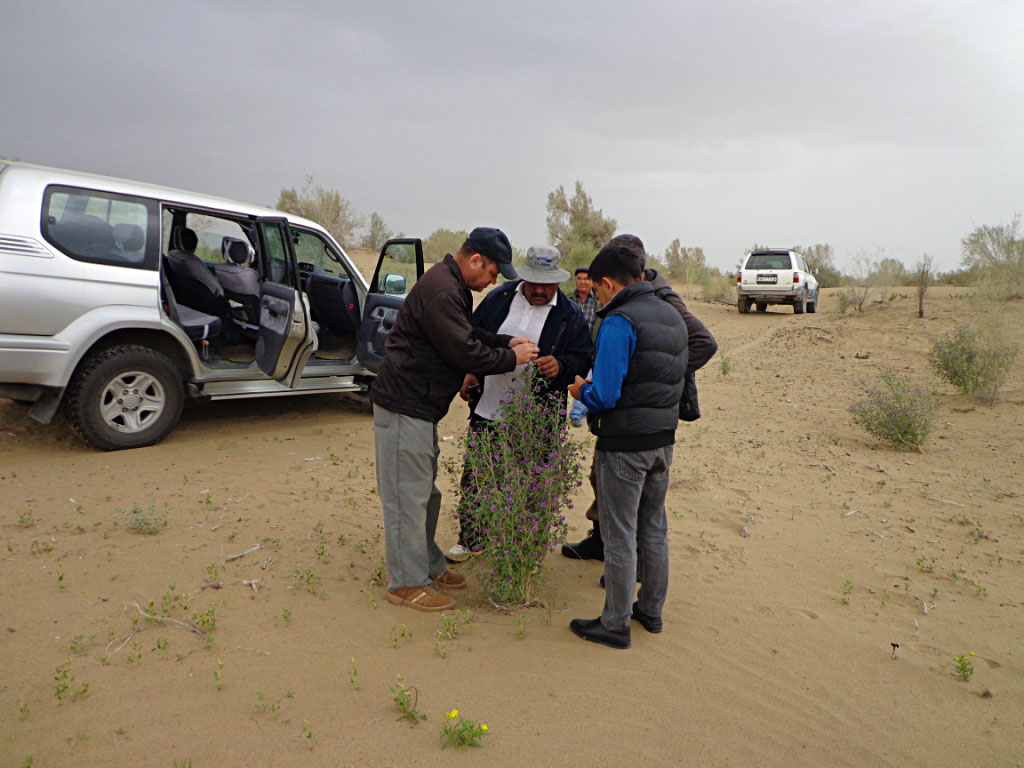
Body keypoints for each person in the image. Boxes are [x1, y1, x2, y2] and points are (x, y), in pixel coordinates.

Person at [369, 227, 540, 612]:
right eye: (494, 272)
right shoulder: (444, 289)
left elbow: (468, 333)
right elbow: (465, 352)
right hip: (404, 405)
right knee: (406, 498)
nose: (494, 281)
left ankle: (427, 566)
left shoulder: (452, 286)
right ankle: (406, 583)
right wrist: (513, 358)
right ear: (475, 259)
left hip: (419, 407)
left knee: (424, 495)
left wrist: (503, 341)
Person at [561, 234, 718, 562]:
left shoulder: (661, 299)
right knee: (622, 498)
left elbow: (703, 342)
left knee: (632, 516)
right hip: (636, 416)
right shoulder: (633, 301)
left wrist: (649, 374)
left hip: (632, 420)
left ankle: (621, 590)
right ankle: (619, 563)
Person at [567, 243, 687, 649]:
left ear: (607, 283)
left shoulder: (619, 320)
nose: (598, 297)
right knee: (654, 528)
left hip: (623, 446)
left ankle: (614, 623)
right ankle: (650, 612)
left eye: (598, 290)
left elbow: (606, 394)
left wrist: (582, 390)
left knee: (619, 534)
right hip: (663, 441)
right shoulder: (672, 314)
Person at [446, 245, 594, 562]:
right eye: (533, 281)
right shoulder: (499, 299)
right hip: (488, 407)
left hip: (537, 418)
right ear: (524, 276)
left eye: (547, 283)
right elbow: (472, 337)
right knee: (479, 476)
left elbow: (583, 358)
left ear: (558, 280)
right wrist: (471, 372)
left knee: (533, 484)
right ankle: (471, 539)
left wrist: (562, 366)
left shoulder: (570, 316)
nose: (539, 289)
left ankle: (524, 547)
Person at [568, 266, 598, 428]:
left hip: (593, 348)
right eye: (579, 278)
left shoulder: (599, 302)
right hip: (573, 347)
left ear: (592, 282)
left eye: (586, 279)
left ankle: (577, 413)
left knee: (587, 378)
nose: (582, 282)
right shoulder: (568, 300)